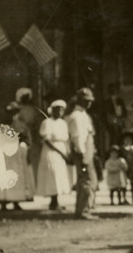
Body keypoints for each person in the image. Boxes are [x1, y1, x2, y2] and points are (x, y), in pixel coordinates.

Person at [66, 87, 99, 220]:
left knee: (87, 180)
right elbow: (77, 136)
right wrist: (82, 154)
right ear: (79, 100)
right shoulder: (76, 116)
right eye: (86, 100)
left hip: (88, 150)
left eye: (90, 101)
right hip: (82, 151)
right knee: (87, 181)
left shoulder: (83, 114)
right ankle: (84, 210)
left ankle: (82, 209)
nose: (89, 103)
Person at [0, 101, 36, 210]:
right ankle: (4, 201)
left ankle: (16, 201)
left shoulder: (22, 125)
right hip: (6, 154)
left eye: (14, 112)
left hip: (18, 155)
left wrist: (24, 145)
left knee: (17, 176)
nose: (12, 115)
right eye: (10, 112)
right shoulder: (3, 126)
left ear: (17, 113)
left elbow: (28, 140)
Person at [37, 100, 71, 211]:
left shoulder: (63, 123)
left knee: (60, 175)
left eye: (62, 110)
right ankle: (53, 201)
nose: (60, 112)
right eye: (57, 109)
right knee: (52, 174)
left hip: (61, 148)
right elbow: (46, 140)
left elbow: (65, 139)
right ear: (52, 110)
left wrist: (67, 152)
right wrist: (60, 152)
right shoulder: (47, 122)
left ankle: (55, 201)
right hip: (51, 150)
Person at [120, 132, 133, 205]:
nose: (127, 141)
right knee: (124, 183)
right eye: (126, 140)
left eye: (129, 140)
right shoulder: (122, 149)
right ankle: (124, 198)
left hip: (132, 167)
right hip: (124, 168)